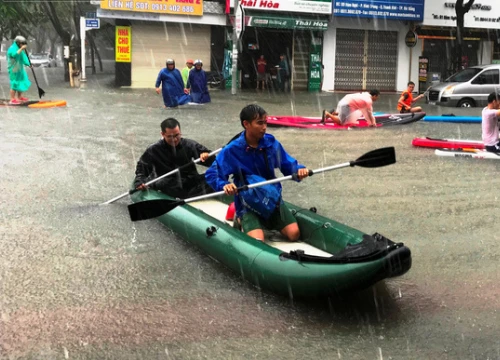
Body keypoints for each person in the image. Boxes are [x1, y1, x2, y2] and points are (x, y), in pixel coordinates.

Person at [205, 104, 309, 242]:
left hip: (271, 196)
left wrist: (299, 170)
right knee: (257, 240)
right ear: (246, 124)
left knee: (294, 234)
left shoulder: (271, 143)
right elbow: (212, 173)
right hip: (248, 201)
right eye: (259, 123)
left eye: (265, 122)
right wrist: (224, 185)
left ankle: (267, 220)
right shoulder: (232, 149)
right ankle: (241, 218)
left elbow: (287, 164)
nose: (264, 127)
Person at [134, 118, 214, 198]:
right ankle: (192, 194)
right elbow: (142, 168)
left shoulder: (189, 145)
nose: (174, 140)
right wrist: (140, 181)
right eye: (170, 137)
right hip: (169, 183)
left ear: (180, 132)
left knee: (215, 175)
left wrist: (207, 156)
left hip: (189, 181)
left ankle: (192, 193)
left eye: (177, 135)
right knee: (162, 183)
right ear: (162, 134)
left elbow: (213, 161)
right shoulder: (154, 149)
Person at [7, 35, 31, 105]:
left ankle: (20, 97)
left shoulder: (21, 50)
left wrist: (29, 64)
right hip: (13, 69)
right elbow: (14, 55)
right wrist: (21, 49)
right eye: (21, 43)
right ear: (17, 43)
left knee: (21, 82)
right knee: (15, 83)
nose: (22, 45)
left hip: (20, 68)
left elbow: (24, 58)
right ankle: (12, 99)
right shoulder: (12, 48)